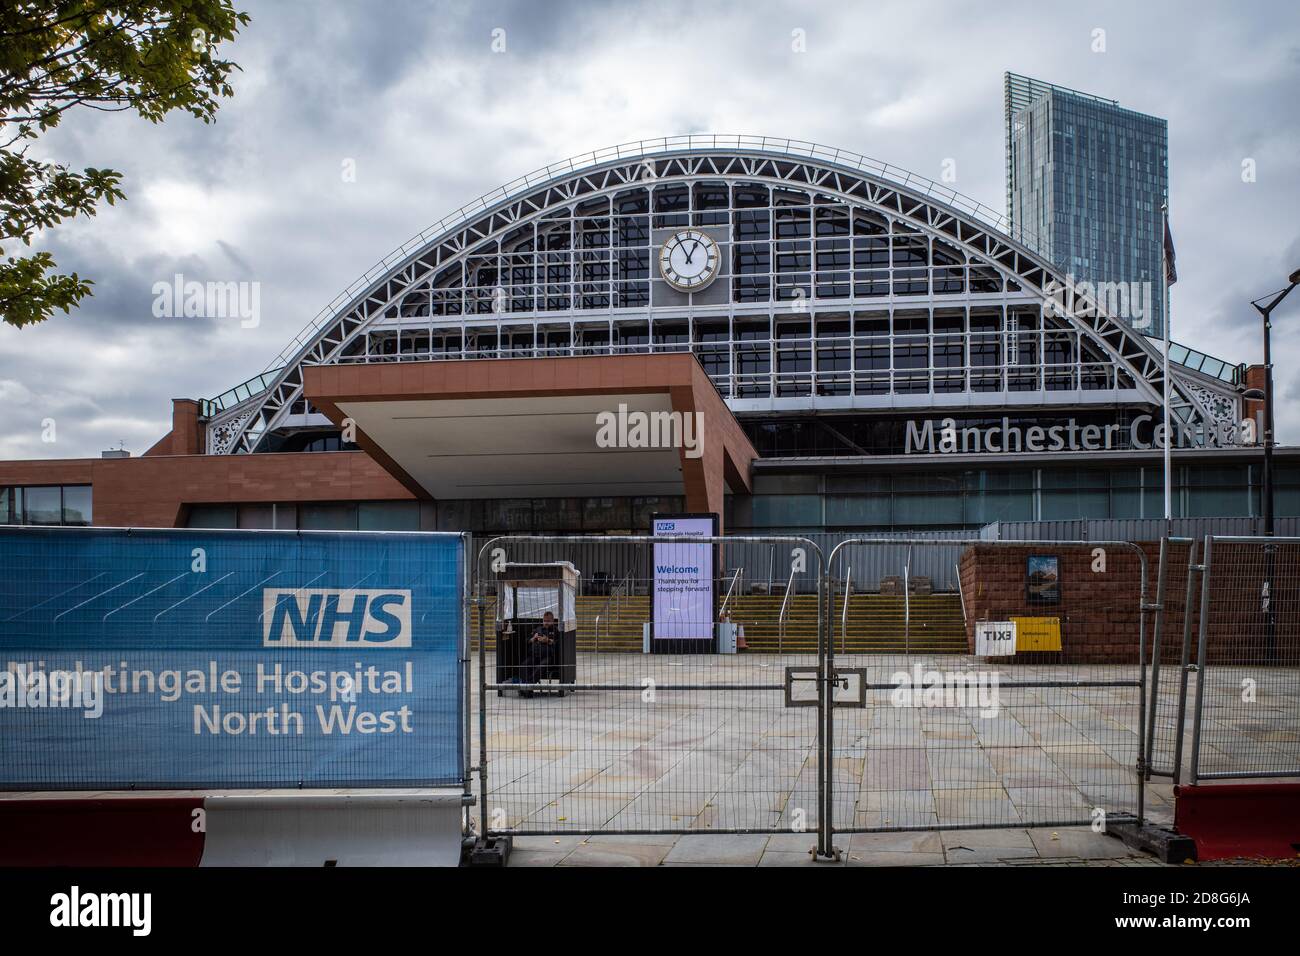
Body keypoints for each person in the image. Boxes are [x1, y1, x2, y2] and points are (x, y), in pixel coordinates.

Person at [520, 611, 560, 697]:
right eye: (544, 621)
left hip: (548, 657)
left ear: (553, 621)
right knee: (524, 665)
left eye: (548, 621)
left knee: (541, 666)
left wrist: (547, 640)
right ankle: (526, 688)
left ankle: (528, 687)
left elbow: (557, 643)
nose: (546, 623)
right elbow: (527, 640)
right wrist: (533, 639)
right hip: (535, 655)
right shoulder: (537, 629)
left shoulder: (555, 630)